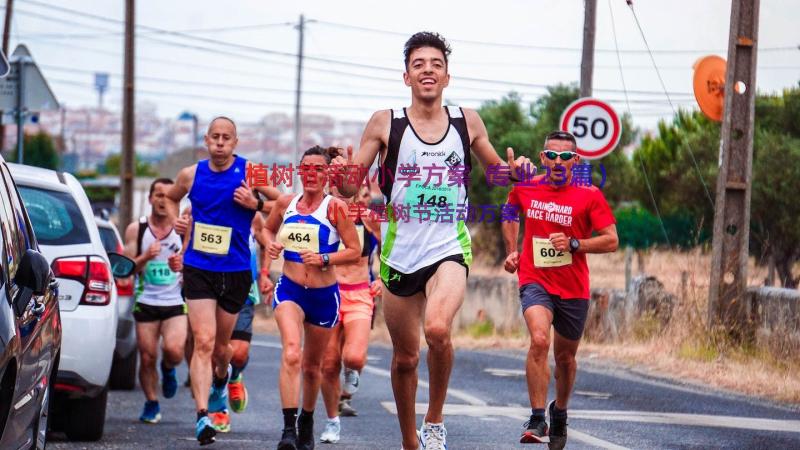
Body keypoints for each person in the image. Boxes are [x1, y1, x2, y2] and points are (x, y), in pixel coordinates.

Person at [331, 32, 531, 450]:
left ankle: (435, 420)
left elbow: (494, 173)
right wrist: (343, 178)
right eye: (418, 64)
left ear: (447, 75)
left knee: (438, 329)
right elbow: (352, 186)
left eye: (435, 64)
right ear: (406, 76)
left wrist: (515, 172)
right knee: (406, 358)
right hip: (400, 253)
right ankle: (409, 440)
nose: (427, 70)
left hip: (448, 246)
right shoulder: (384, 122)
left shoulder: (467, 121)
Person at [502, 131, 618, 448]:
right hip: (534, 279)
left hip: (573, 287)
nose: (557, 162)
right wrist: (512, 250)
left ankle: (560, 412)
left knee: (565, 359)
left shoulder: (589, 194)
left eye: (565, 157)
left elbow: (611, 240)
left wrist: (575, 244)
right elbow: (510, 210)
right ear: (542, 158)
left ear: (575, 161)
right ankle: (538, 417)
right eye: (551, 155)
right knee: (539, 339)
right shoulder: (527, 187)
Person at [166, 116, 277, 445]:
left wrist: (255, 203)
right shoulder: (191, 173)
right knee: (202, 340)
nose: (219, 142)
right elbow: (172, 198)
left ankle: (221, 381)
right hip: (199, 267)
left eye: (226, 138)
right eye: (214, 137)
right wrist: (178, 224)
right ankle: (202, 416)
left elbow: (283, 204)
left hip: (236, 271)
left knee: (221, 349)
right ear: (206, 139)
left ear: (235, 142)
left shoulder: (250, 172)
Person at [261, 146, 361, 450]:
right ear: (299, 171)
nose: (312, 174)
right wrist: (271, 246)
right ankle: (288, 429)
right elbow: (266, 231)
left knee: (312, 366)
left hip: (323, 296)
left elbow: (354, 250)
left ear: (328, 173)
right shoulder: (285, 203)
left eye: (319, 168)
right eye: (306, 168)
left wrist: (324, 259)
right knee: (292, 352)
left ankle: (307, 420)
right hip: (290, 289)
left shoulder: (336, 208)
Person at [319, 183, 382, 444]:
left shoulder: (368, 218)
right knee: (330, 363)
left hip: (359, 294)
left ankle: (352, 373)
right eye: (335, 185)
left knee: (354, 356)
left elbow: (390, 247)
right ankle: (332, 421)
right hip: (329, 292)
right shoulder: (323, 215)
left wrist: (383, 279)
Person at [124, 178, 187, 424]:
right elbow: (128, 268)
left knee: (174, 350)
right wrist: (145, 257)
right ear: (150, 199)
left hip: (174, 302)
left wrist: (182, 264)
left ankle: (169, 368)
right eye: (158, 195)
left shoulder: (184, 228)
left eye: (168, 196)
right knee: (147, 355)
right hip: (146, 300)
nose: (162, 200)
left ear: (176, 201)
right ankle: (151, 402)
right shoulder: (136, 229)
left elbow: (196, 264)